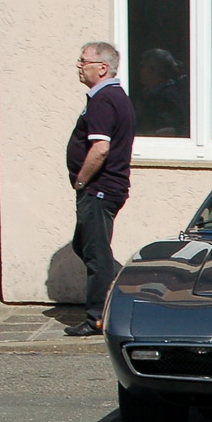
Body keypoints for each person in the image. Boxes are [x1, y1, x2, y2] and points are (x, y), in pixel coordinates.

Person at [64, 41, 135, 336]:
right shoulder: (109, 97)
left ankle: (97, 317)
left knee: (96, 254)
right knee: (85, 246)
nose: (79, 67)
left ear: (102, 68)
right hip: (103, 189)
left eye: (84, 61)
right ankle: (126, 288)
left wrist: (82, 181)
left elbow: (100, 148)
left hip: (100, 189)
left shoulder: (104, 100)